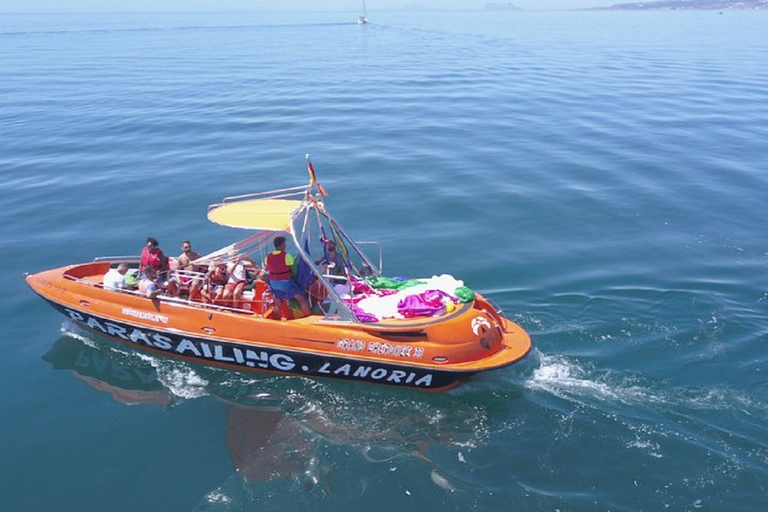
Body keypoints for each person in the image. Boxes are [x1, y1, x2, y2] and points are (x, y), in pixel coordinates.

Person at [263, 236, 310, 318]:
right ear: (282, 245)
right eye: (284, 244)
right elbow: (294, 267)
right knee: (300, 298)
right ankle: (309, 316)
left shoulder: (268, 257)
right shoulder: (286, 256)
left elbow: (267, 267)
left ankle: (278, 318)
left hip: (274, 283)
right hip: (285, 283)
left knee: (277, 300)